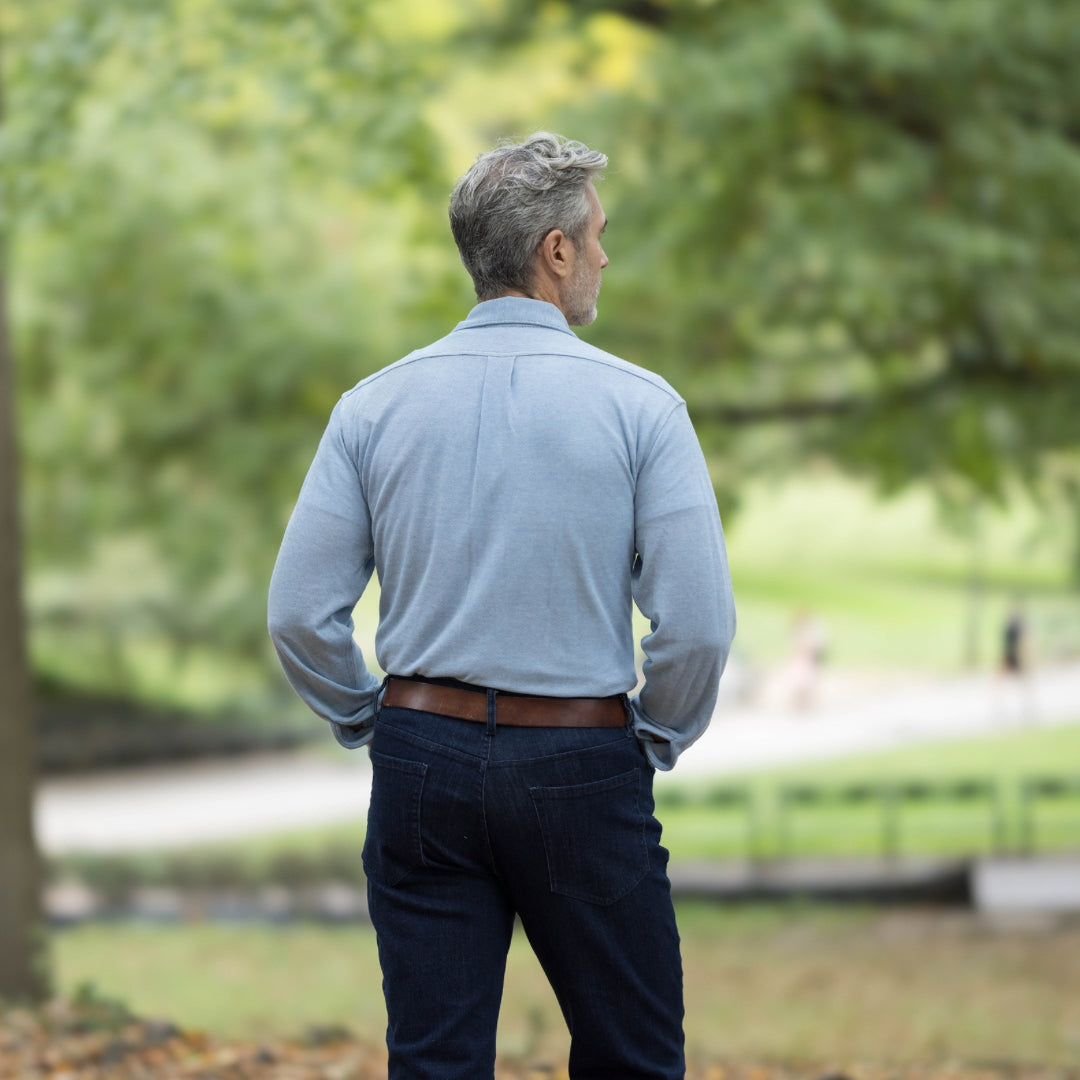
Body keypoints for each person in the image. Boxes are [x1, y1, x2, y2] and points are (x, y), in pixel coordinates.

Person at [268, 132, 736, 1080]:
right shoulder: (643, 408)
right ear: (553, 251)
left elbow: (297, 613)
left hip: (420, 761)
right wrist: (652, 739)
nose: (605, 254)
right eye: (597, 235)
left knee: (434, 1063)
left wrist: (374, 717)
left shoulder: (371, 407)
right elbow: (697, 626)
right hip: (582, 758)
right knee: (634, 1058)